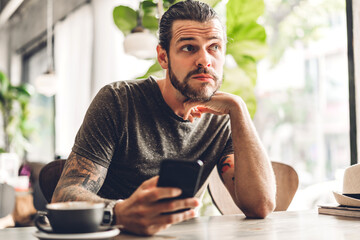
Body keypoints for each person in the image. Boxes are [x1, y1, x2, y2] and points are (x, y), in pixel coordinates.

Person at [52, 0, 276, 236]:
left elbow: (260, 206)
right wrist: (118, 212)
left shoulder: (222, 119)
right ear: (163, 57)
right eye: (189, 48)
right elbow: (66, 192)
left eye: (214, 47)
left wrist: (238, 108)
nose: (204, 60)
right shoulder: (118, 100)